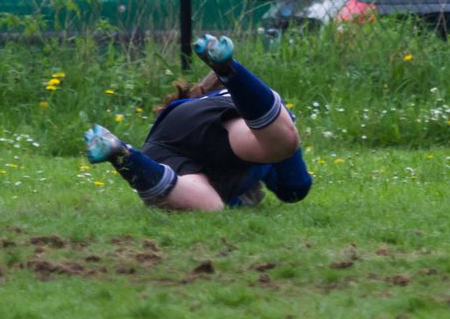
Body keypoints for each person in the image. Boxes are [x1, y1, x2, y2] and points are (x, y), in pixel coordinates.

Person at [84, 34, 312, 211]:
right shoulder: (243, 108)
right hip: (217, 117)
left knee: (208, 205)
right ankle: (230, 70)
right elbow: (295, 185)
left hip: (166, 139)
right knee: (282, 146)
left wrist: (243, 195)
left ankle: (120, 151)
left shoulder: (202, 104)